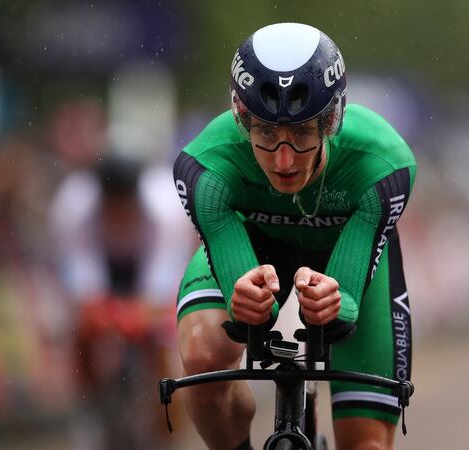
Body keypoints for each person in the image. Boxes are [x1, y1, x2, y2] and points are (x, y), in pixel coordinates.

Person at [172, 23, 416, 450]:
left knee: (367, 446)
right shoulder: (205, 166)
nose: (284, 160)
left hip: (347, 264)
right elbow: (244, 303)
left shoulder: (384, 163)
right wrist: (245, 300)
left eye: (302, 132)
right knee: (202, 357)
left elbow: (346, 309)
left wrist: (334, 306)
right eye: (266, 132)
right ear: (241, 117)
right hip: (251, 245)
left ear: (330, 121)